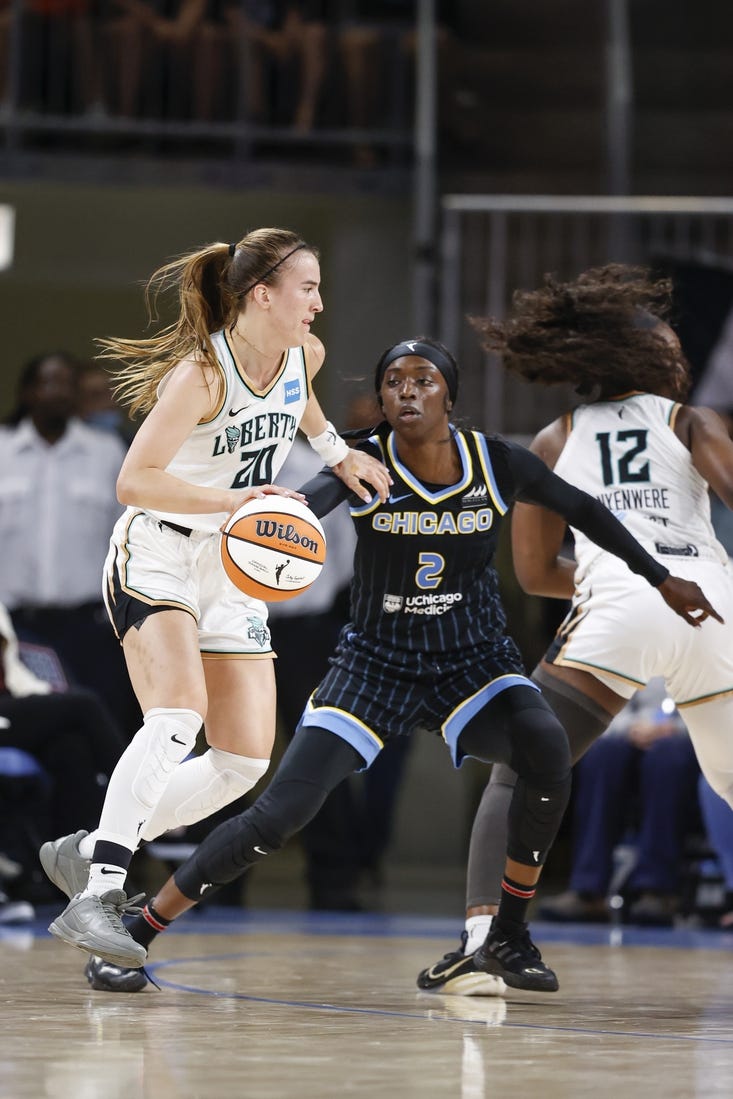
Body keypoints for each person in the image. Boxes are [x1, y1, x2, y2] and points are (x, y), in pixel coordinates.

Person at [62, 334, 720, 995]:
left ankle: (507, 935)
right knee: (277, 814)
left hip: (473, 662)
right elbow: (292, 512)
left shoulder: (496, 462)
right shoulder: (359, 463)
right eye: (394, 382)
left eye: (423, 380)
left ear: (449, 397)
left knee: (544, 744)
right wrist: (262, 524)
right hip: (374, 666)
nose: (407, 390)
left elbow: (585, 511)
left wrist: (660, 577)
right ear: (379, 400)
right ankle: (138, 930)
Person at [39, 227, 391, 971]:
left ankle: (90, 844)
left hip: (229, 567)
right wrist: (234, 500)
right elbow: (133, 481)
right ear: (261, 295)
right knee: (176, 716)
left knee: (241, 759)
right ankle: (98, 892)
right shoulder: (202, 374)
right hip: (159, 549)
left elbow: (303, 409)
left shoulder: (304, 355)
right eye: (308, 288)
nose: (319, 304)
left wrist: (338, 452)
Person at [417, 263, 733, 996]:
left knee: (520, 769)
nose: (680, 357)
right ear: (640, 360)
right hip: (710, 603)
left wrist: (610, 581)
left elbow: (533, 572)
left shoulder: (552, 439)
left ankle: (477, 944)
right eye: (669, 347)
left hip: (618, 606)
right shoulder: (690, 421)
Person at [0, 350, 140, 741]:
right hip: (15, 626)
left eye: (66, 385)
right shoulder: (3, 451)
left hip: (89, 625)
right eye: (48, 382)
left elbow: (129, 541)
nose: (57, 393)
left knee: (97, 730)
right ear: (27, 392)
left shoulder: (107, 454)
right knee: (29, 732)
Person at [538, 679, 699, 928]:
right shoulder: (639, 643)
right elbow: (611, 696)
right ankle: (589, 890)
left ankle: (656, 890)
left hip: (689, 736)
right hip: (632, 730)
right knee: (603, 754)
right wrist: (631, 727)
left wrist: (675, 728)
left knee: (667, 759)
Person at [0, 601, 126, 906]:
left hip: (10, 704)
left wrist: (41, 694)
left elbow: (11, 664)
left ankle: (73, 879)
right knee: (83, 705)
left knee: (71, 748)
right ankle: (142, 795)